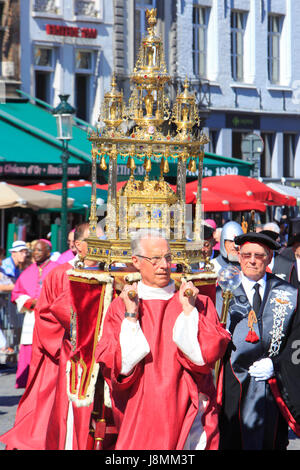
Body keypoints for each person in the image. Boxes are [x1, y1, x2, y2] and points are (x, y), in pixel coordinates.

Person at [95, 229, 231, 450]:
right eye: (155, 259)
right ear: (136, 261)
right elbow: (118, 365)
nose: (164, 265)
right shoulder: (121, 306)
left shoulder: (198, 302)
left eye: (167, 257)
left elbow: (203, 358)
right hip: (141, 406)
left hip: (187, 405)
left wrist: (189, 312)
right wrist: (131, 316)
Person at [0, 223, 95, 450]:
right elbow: (46, 313)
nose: (36, 254)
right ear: (78, 246)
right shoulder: (62, 273)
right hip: (66, 353)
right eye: (95, 242)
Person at [216, 231, 300, 450]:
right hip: (233, 382)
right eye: (246, 255)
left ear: (270, 258)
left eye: (259, 255)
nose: (252, 260)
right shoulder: (222, 292)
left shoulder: (289, 294)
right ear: (239, 256)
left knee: (271, 441)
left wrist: (277, 364)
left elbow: (296, 339)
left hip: (273, 386)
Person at [10, 239, 58, 389]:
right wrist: (28, 302)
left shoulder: (57, 269)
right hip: (31, 319)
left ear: (48, 252)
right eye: (34, 251)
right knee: (30, 353)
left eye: (39, 250)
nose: (35, 253)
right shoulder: (28, 271)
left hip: (51, 321)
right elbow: (16, 293)